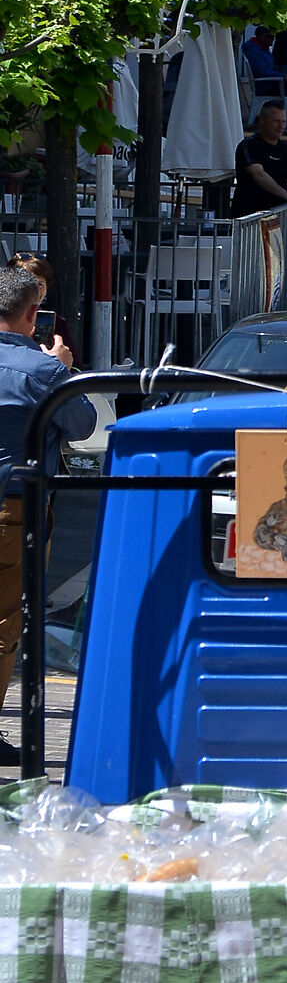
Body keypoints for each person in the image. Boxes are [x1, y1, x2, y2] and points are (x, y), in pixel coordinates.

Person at [0, 263, 95, 748]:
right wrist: (60, 367)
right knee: (4, 620)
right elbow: (83, 424)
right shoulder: (41, 370)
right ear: (33, 314)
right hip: (14, 511)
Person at [229, 102, 287, 218]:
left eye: (283, 121)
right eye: (276, 121)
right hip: (250, 215)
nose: (281, 126)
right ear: (262, 120)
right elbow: (258, 175)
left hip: (280, 216)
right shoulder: (249, 145)